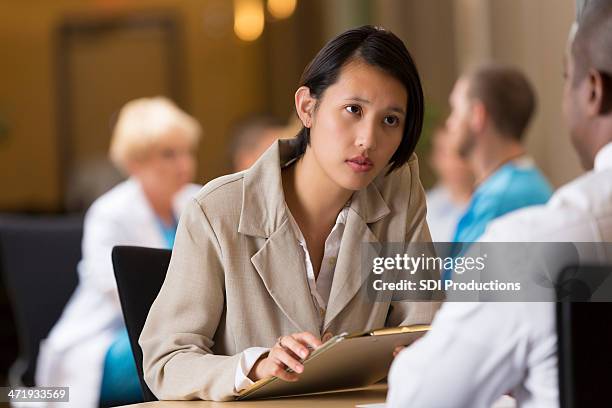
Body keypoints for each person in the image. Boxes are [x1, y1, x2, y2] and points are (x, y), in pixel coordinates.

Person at [140, 25, 441, 402]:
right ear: (307, 108)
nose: (369, 139)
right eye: (353, 110)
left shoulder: (399, 191)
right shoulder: (217, 209)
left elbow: (424, 326)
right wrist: (255, 365)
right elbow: (165, 361)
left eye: (390, 120)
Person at [387, 3, 612, 407]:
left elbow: (422, 397)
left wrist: (426, 358)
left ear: (593, 91)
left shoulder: (534, 237)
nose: (447, 125)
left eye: (567, 79)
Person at [36, 97, 202, 407]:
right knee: (175, 348)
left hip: (179, 329)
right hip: (115, 342)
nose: (184, 164)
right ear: (134, 162)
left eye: (186, 152)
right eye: (169, 154)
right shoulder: (110, 212)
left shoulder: (198, 201)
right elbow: (124, 293)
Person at [446, 64, 553, 245]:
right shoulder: (526, 183)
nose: (449, 123)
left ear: (477, 115)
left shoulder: (499, 200)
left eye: (455, 110)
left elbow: (458, 272)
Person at [426, 126, 473, 242]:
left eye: (460, 153)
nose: (454, 162)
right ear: (434, 159)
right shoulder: (424, 207)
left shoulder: (489, 202)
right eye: (446, 153)